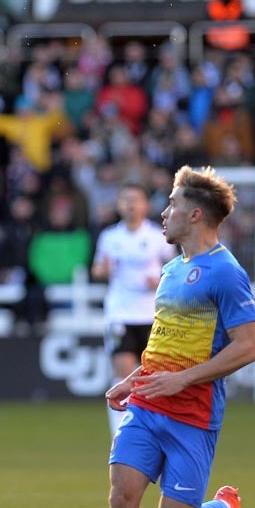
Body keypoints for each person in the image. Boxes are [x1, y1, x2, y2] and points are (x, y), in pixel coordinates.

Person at [90, 166, 255, 508]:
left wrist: (183, 381)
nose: (163, 213)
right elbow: (166, 344)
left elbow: (249, 346)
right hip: (148, 407)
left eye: (171, 205)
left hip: (192, 416)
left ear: (196, 214)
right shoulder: (170, 269)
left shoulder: (226, 273)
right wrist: (137, 379)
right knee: (121, 496)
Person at [90, 183, 176, 438]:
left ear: (145, 205)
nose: (131, 205)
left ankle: (153, 428)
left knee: (154, 375)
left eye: (136, 200)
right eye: (126, 200)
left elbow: (172, 270)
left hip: (152, 314)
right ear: (119, 205)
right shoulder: (110, 237)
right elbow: (96, 269)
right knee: (124, 371)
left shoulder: (156, 236)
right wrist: (102, 270)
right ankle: (122, 434)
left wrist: (159, 281)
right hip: (120, 313)